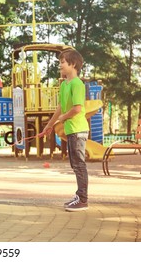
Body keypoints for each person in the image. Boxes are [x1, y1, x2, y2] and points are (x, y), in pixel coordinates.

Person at [39, 49, 90, 212]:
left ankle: (83, 200)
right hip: (71, 130)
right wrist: (49, 126)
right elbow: (60, 108)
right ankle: (79, 196)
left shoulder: (77, 84)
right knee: (75, 164)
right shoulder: (64, 84)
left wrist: (63, 118)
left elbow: (77, 109)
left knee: (79, 165)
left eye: (63, 62)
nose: (59, 65)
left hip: (78, 129)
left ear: (73, 64)